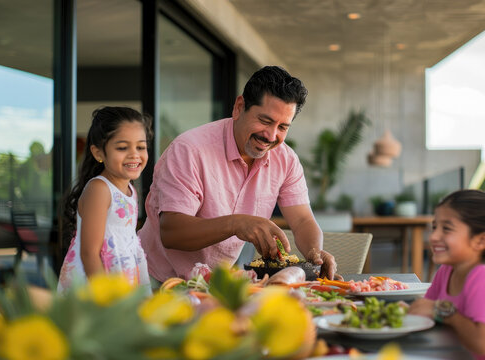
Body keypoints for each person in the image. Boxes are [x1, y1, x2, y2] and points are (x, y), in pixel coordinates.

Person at [138, 65, 338, 285]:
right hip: (155, 280)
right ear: (239, 107)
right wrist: (237, 224)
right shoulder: (189, 149)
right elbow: (172, 233)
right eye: (265, 121)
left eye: (282, 127)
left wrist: (315, 252)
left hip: (216, 284)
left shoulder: (287, 160)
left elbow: (302, 220)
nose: (271, 136)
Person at [408, 189, 485, 359]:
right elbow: (428, 311)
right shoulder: (446, 271)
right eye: (434, 227)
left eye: (446, 229)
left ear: (481, 240)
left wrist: (440, 311)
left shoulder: (483, 278)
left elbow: (481, 344)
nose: (434, 236)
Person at [58, 106, 152, 295]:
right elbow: (89, 253)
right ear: (99, 153)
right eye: (122, 147)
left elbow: (130, 243)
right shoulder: (99, 189)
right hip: (95, 284)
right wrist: (107, 298)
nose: (134, 154)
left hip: (121, 278)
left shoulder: (130, 190)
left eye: (140, 147)